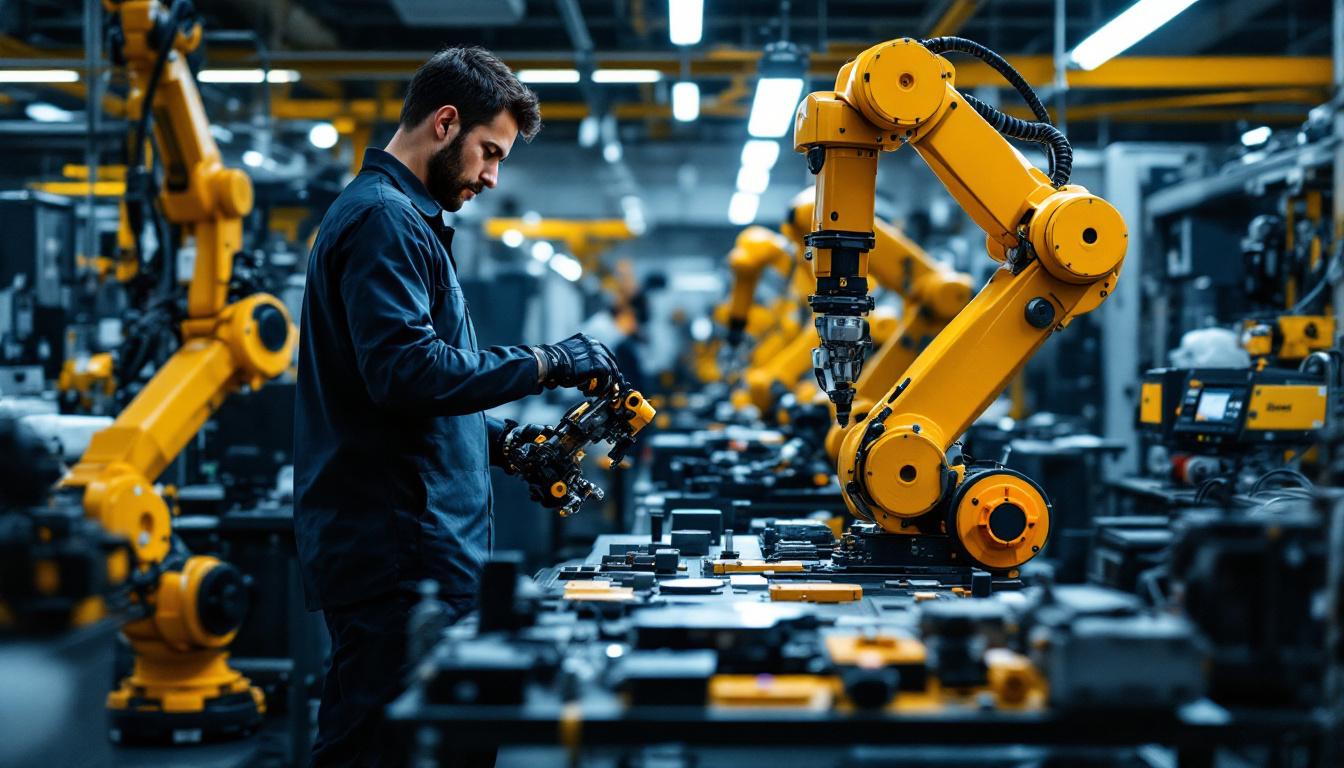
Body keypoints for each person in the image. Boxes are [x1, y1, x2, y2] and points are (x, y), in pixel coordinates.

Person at [293, 46, 622, 767]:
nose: (490, 177)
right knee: (388, 750)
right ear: (446, 123)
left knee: (433, 743)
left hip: (415, 549)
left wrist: (504, 443)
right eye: (489, 152)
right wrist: (547, 363)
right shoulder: (385, 220)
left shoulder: (402, 220)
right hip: (400, 555)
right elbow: (406, 373)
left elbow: (403, 397)